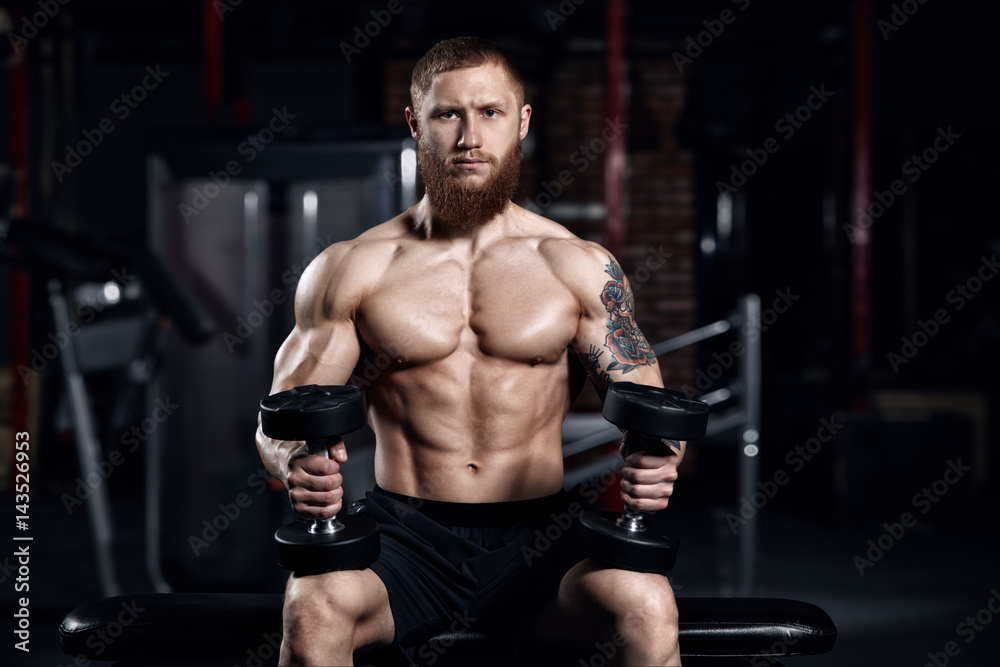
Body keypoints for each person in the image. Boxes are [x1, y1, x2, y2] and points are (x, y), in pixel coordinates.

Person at [256, 36, 686, 666]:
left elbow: (650, 407)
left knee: (647, 608)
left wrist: (660, 459)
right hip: (401, 540)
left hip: (542, 539)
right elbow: (277, 421)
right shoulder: (352, 269)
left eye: (490, 113)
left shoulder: (578, 267)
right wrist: (294, 461)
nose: (469, 137)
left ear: (523, 122)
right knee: (312, 609)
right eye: (447, 114)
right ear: (415, 123)